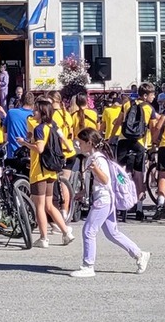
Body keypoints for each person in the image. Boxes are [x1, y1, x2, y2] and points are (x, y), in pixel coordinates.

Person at [71, 130, 149, 277]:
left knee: (88, 231)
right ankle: (139, 254)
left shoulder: (97, 159)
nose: (78, 145)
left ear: (89, 143)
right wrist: (82, 193)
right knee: (112, 233)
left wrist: (96, 170)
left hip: (103, 200)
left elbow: (105, 180)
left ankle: (88, 266)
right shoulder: (94, 158)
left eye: (80, 143)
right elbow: (95, 182)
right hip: (106, 199)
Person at [28, 96, 69, 246]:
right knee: (49, 205)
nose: (34, 112)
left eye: (36, 110)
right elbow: (64, 140)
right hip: (52, 170)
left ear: (42, 112)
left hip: (40, 170)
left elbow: (39, 149)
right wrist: (69, 148)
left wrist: (25, 143)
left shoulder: (39, 129)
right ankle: (66, 232)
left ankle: (43, 237)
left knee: (40, 205)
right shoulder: (53, 125)